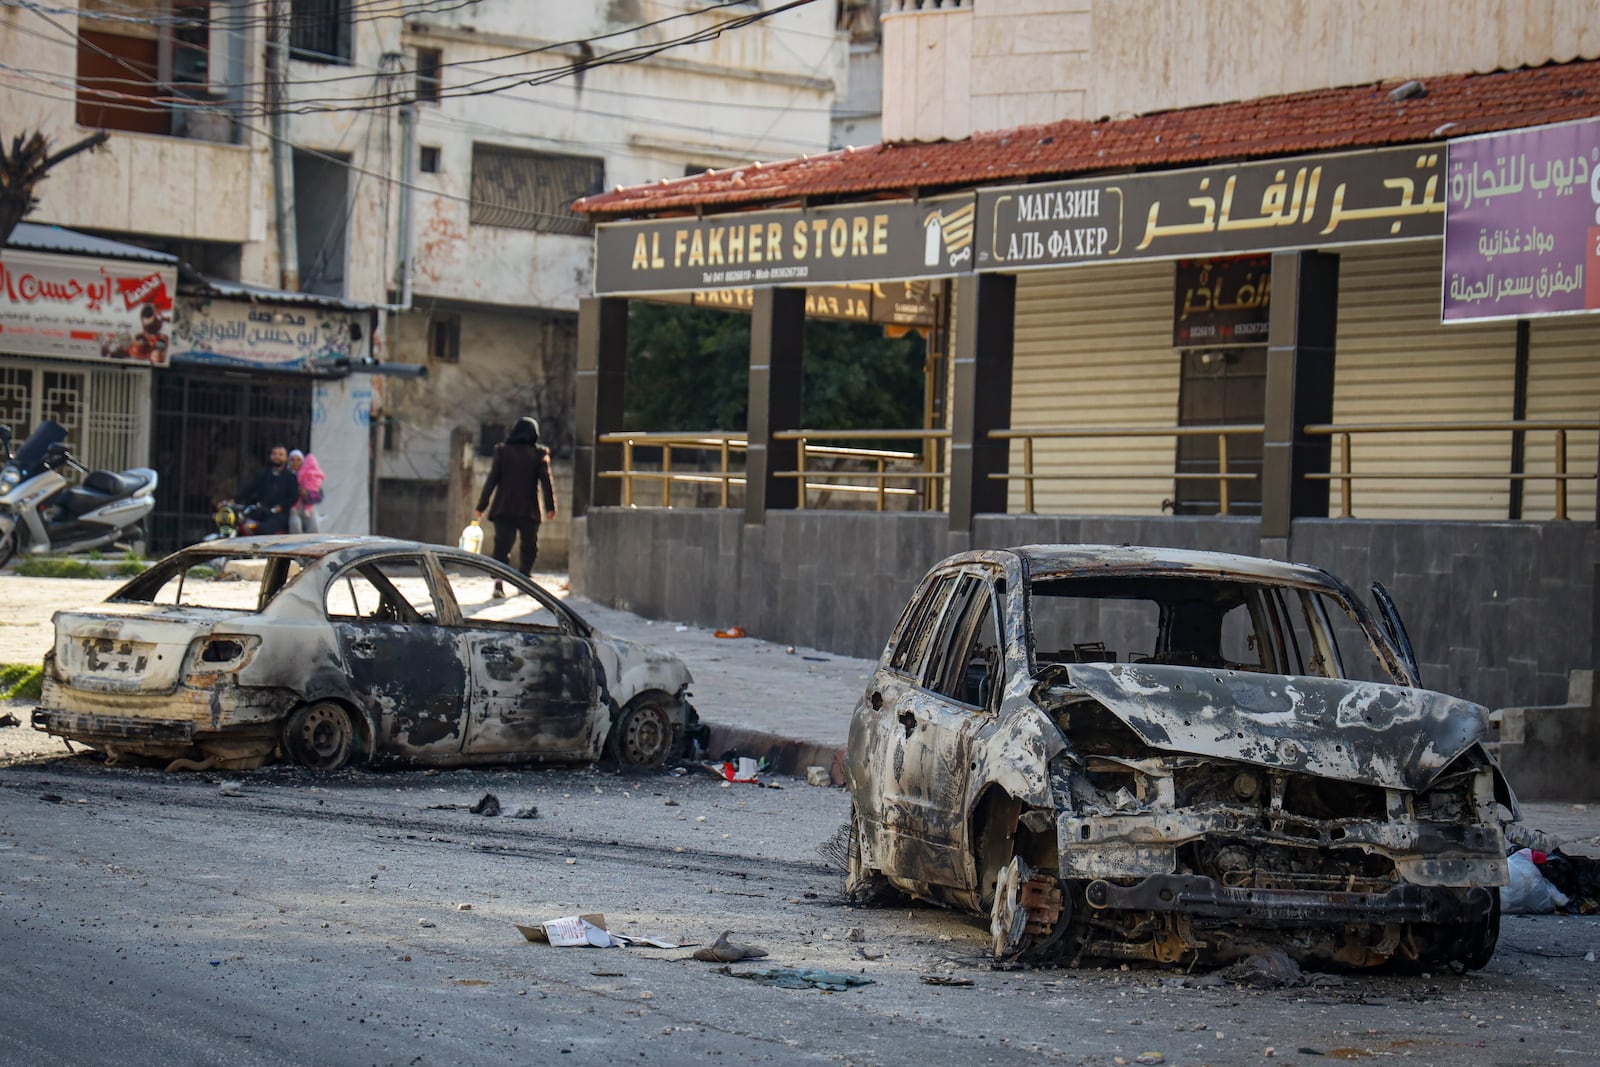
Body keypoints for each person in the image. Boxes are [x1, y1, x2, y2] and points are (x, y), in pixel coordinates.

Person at [475, 416, 556, 598]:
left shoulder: (502, 452)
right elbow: (546, 482)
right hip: (529, 509)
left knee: (502, 546)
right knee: (529, 546)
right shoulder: (539, 454)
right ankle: (524, 580)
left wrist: (482, 505)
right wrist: (551, 507)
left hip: (504, 507)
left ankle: (498, 583)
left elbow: (492, 480)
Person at [235, 444, 301, 535]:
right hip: (262, 511)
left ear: (286, 458)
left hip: (280, 516)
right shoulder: (263, 474)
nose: (277, 456)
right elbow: (249, 488)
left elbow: (294, 497)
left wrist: (281, 506)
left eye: (281, 454)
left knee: (263, 530)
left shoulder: (291, 477)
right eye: (274, 454)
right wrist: (233, 499)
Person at [288, 449, 324, 533]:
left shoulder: (311, 476)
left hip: (309, 508)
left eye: (298, 460)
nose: (295, 462)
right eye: (292, 460)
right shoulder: (286, 476)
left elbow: (320, 497)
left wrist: (307, 495)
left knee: (315, 526)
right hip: (293, 509)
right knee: (295, 526)